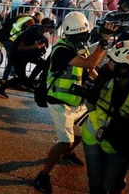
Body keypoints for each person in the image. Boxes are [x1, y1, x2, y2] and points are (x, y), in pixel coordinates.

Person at [33, 12, 118, 194]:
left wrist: (103, 85)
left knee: (81, 133)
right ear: (70, 35)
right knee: (65, 141)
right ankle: (43, 175)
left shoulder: (78, 46)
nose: (82, 39)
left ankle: (68, 153)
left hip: (77, 102)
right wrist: (104, 41)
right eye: (78, 36)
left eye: (83, 36)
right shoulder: (62, 50)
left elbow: (91, 69)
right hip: (59, 102)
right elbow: (89, 64)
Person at [81, 40, 129, 194]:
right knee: (95, 182)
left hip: (120, 144)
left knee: (111, 185)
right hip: (92, 136)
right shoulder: (105, 77)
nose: (109, 63)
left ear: (126, 68)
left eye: (114, 61)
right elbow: (90, 101)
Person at [0, 19, 56, 98]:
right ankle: (1, 88)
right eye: (51, 29)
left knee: (43, 64)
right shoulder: (32, 32)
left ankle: (29, 82)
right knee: (21, 78)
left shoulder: (41, 33)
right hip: (18, 55)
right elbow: (20, 48)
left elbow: (40, 45)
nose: (51, 32)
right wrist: (34, 46)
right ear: (45, 28)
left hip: (27, 55)